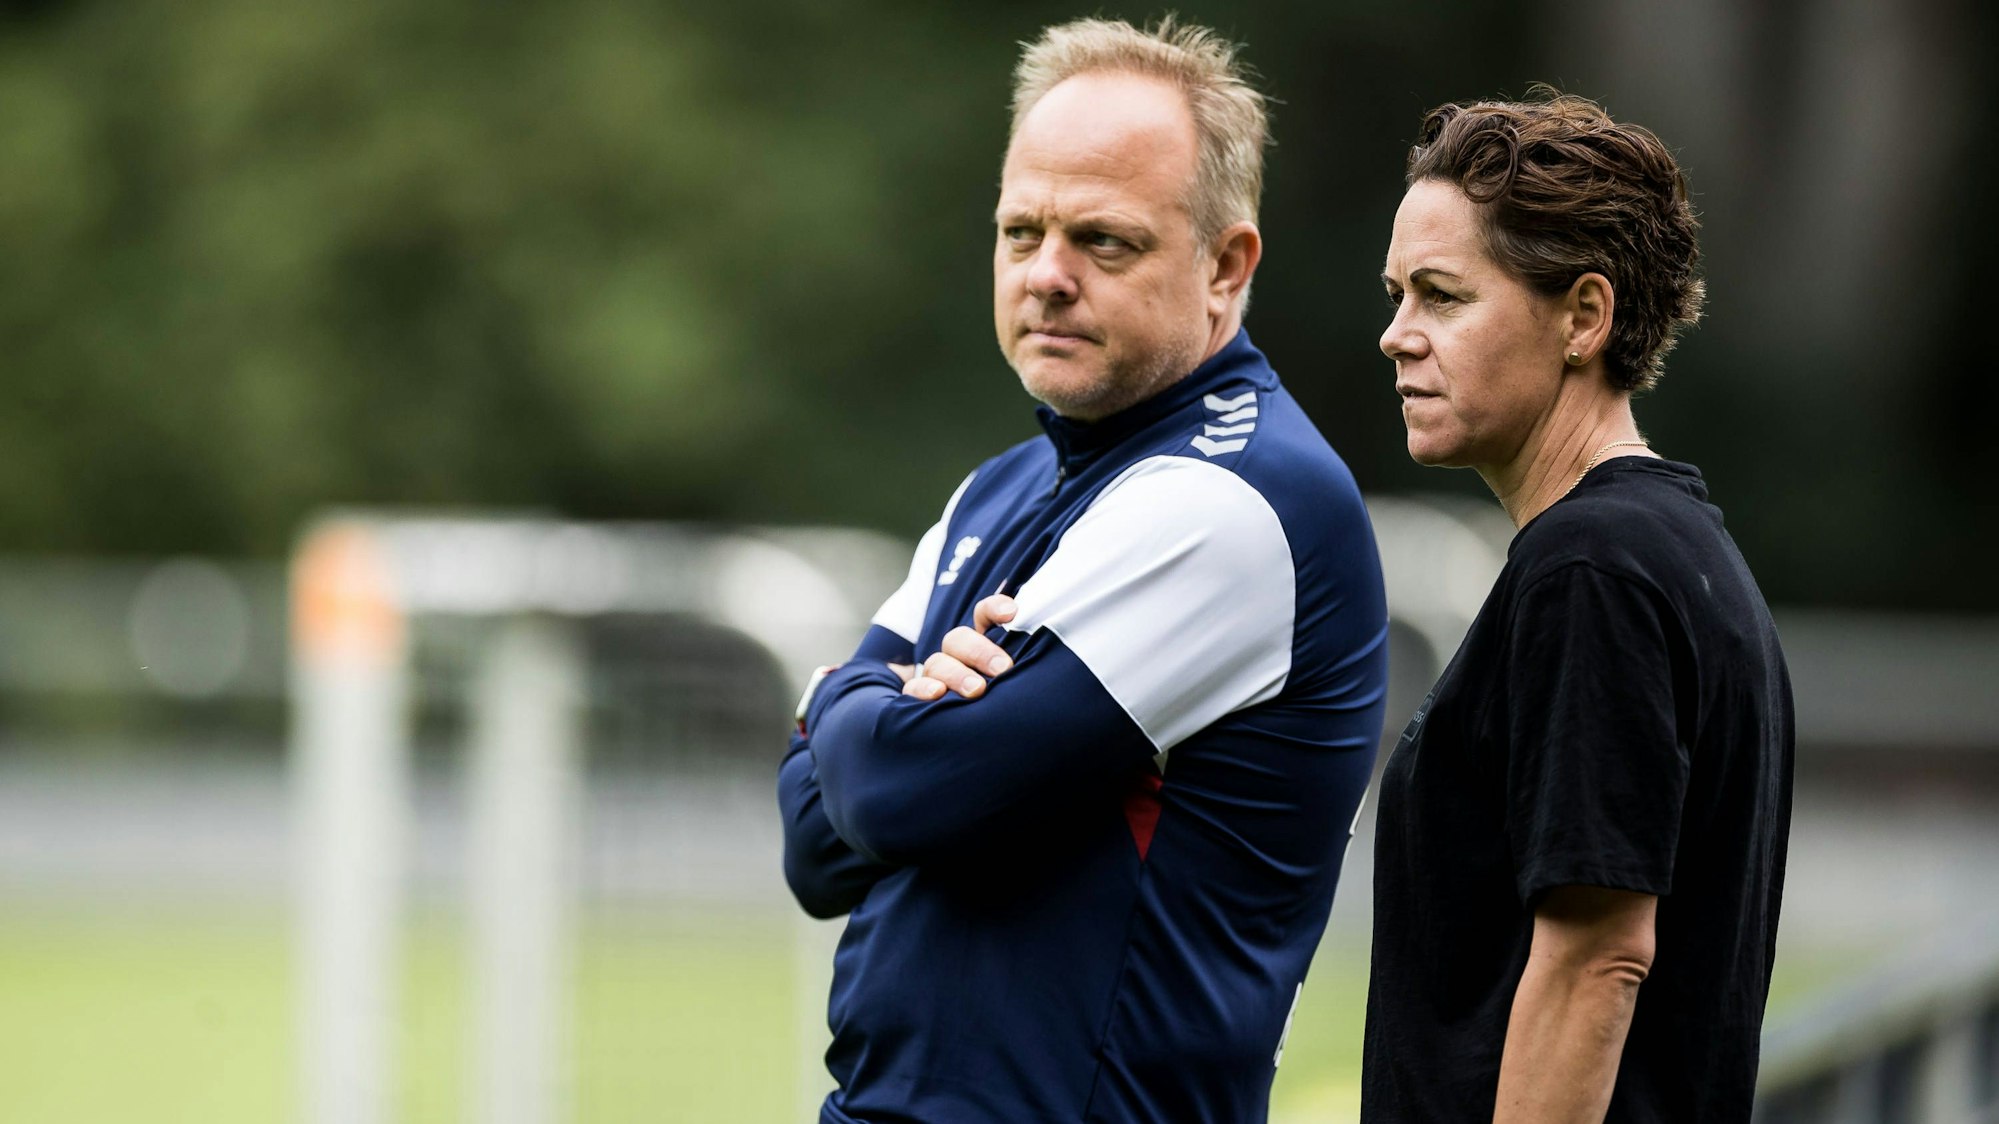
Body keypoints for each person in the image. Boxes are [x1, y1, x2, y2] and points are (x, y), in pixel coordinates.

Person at [776, 17, 1389, 1123]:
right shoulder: (999, 488)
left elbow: (891, 792)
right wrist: (882, 714)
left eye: (1102, 241)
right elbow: (814, 851)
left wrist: (836, 698)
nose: (1046, 275)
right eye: (1021, 231)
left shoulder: (1234, 497)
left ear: (1224, 265)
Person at [1363, 91, 1794, 1122]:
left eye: (1441, 296)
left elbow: (1596, 957)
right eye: (1396, 295)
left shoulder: (1592, 567)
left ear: (1583, 318)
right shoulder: (1660, 547)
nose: (1394, 336)